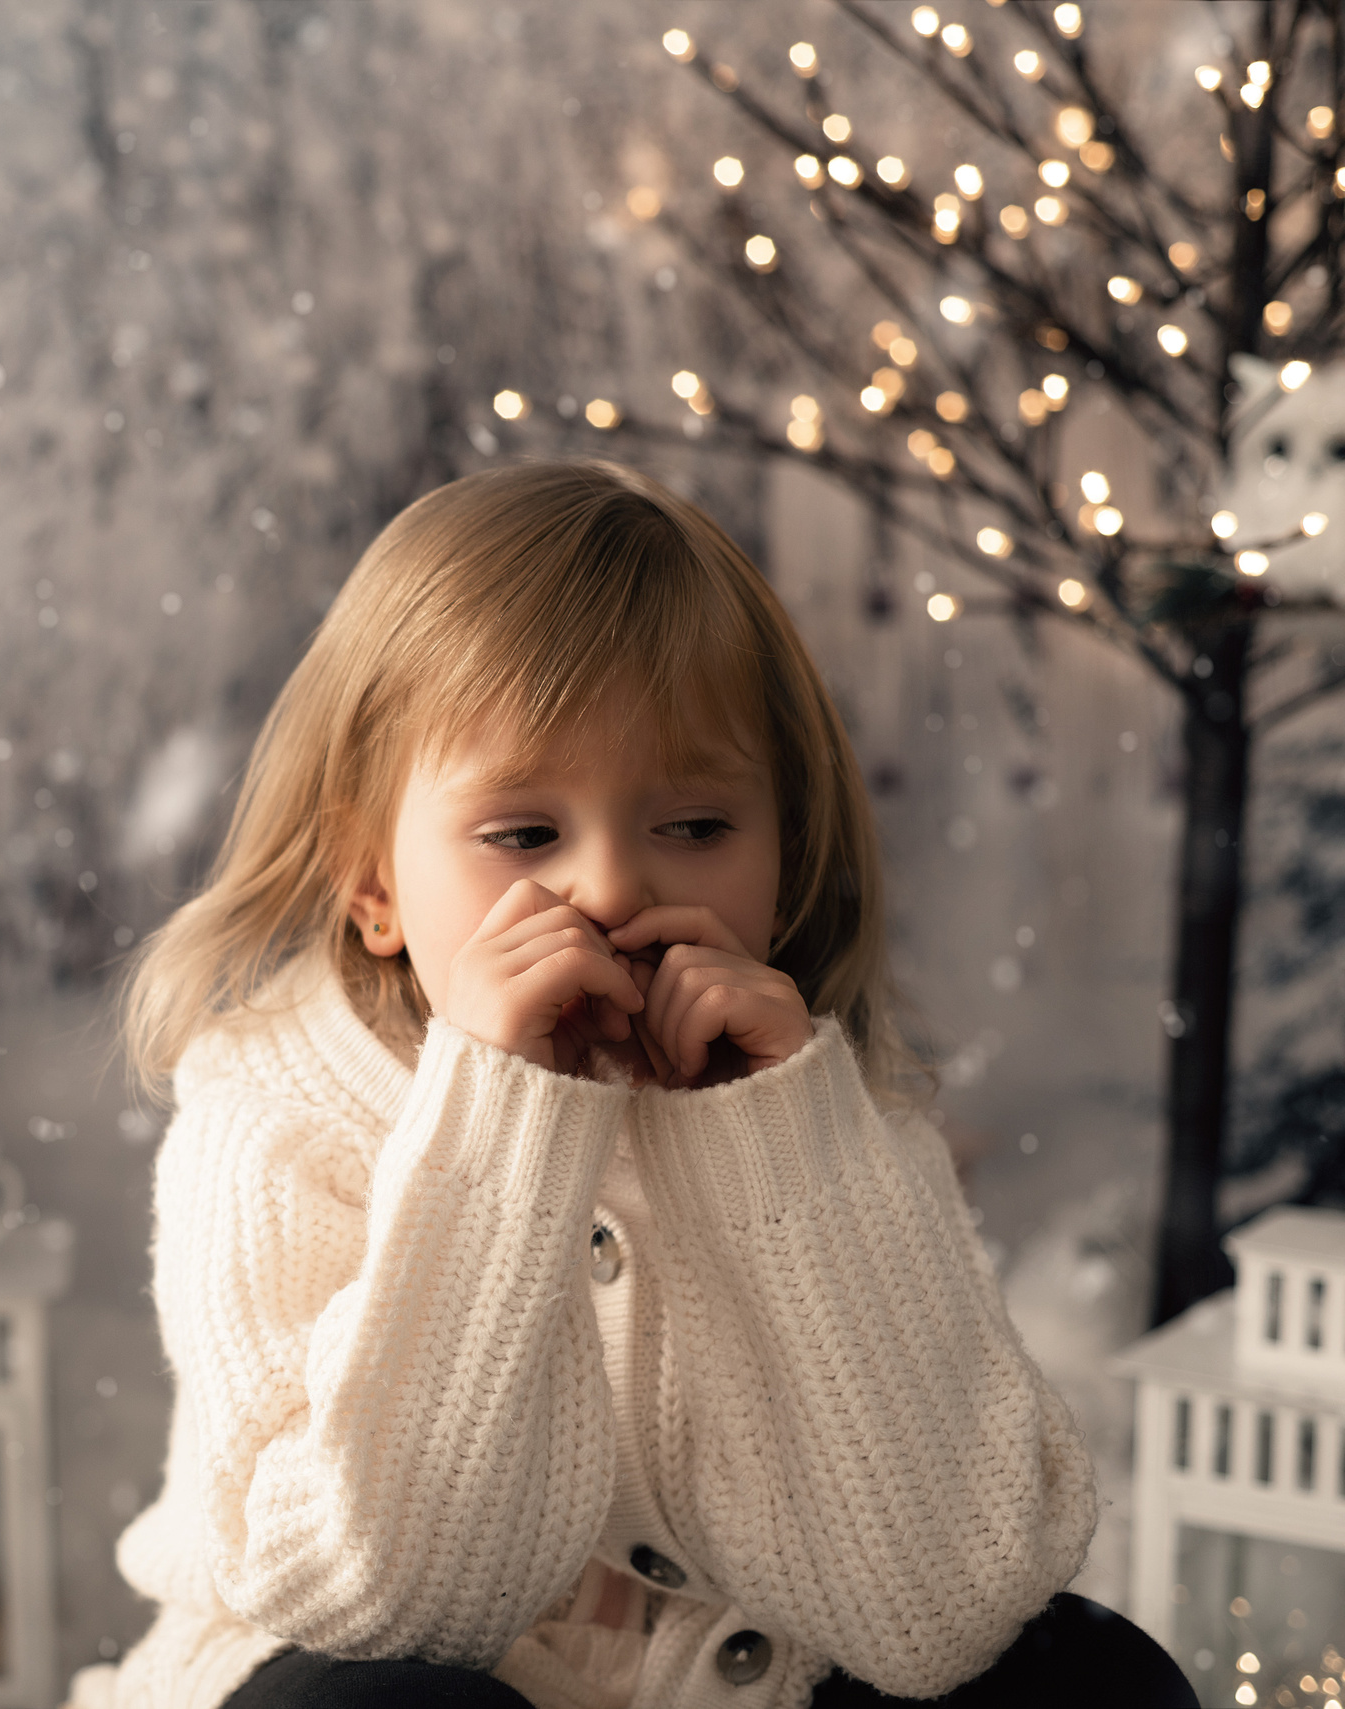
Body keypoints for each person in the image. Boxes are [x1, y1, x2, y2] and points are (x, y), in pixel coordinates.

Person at [74, 463, 1196, 1709]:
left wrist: (787, 1149)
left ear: (785, 851)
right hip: (369, 1665)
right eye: (523, 833)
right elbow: (384, 1598)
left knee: (1090, 1675)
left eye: (697, 827)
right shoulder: (277, 1118)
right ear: (372, 882)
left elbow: (942, 1602)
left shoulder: (828, 1110)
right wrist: (503, 1126)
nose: (607, 888)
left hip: (741, 1677)